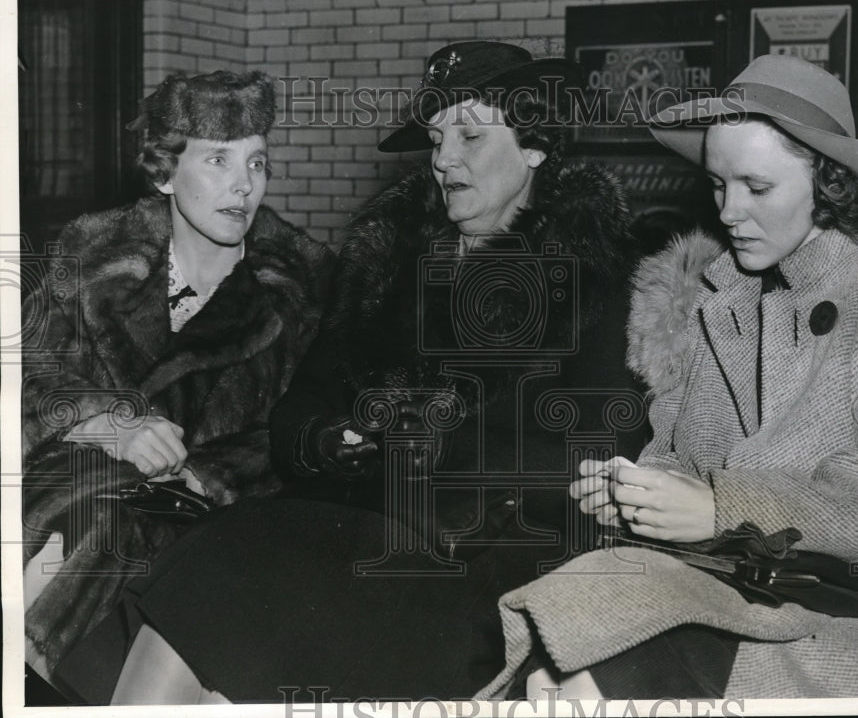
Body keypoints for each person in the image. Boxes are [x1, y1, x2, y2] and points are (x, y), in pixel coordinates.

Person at [100, 41, 649, 703]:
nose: (444, 159)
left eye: (470, 135)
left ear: (534, 145)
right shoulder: (387, 262)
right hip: (356, 531)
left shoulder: (598, 279)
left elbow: (594, 457)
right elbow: (299, 410)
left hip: (483, 571)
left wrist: (428, 445)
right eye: (437, 137)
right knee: (218, 567)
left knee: (230, 573)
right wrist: (328, 439)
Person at [476, 54, 858, 699]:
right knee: (551, 662)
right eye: (718, 186)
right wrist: (639, 497)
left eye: (757, 187)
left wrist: (719, 505)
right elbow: (684, 458)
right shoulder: (714, 302)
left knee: (599, 670)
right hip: (752, 583)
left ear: (830, 181)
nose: (730, 212)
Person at [21, 70, 334, 686]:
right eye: (219, 160)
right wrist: (98, 419)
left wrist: (206, 473)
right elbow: (27, 376)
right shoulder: (92, 255)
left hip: (198, 543)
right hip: (59, 511)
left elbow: (302, 430)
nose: (243, 186)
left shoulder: (303, 287)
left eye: (257, 163)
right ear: (165, 172)